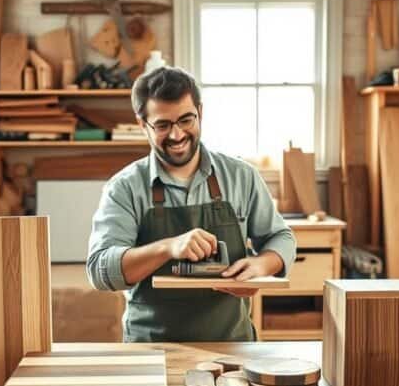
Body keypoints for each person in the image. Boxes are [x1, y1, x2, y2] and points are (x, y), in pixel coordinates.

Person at [86, 66, 296, 342]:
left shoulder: (240, 176)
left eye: (186, 120)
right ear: (142, 124)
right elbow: (101, 271)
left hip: (232, 345)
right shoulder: (124, 188)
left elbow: (281, 237)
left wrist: (263, 265)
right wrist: (167, 247)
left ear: (200, 112)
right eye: (162, 125)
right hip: (150, 350)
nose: (176, 135)